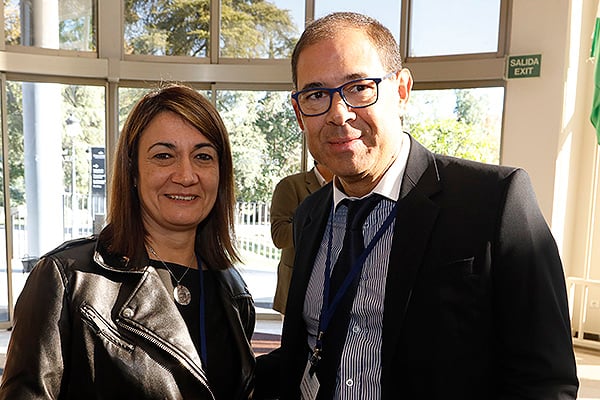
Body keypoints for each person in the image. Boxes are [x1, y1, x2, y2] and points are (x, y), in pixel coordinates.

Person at [261, 11, 579, 400]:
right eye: (315, 95)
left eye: (359, 87)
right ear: (299, 112)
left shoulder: (494, 202)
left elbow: (546, 381)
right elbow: (308, 350)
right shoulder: (310, 214)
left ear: (401, 90)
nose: (338, 113)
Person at [0, 84, 255, 400]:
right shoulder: (68, 280)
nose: (187, 175)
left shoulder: (232, 290)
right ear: (133, 171)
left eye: (203, 156)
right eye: (164, 156)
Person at [270, 161, 333, 314]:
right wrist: (318, 220)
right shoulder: (290, 185)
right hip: (298, 285)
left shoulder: (350, 189)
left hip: (336, 285)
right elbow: (279, 236)